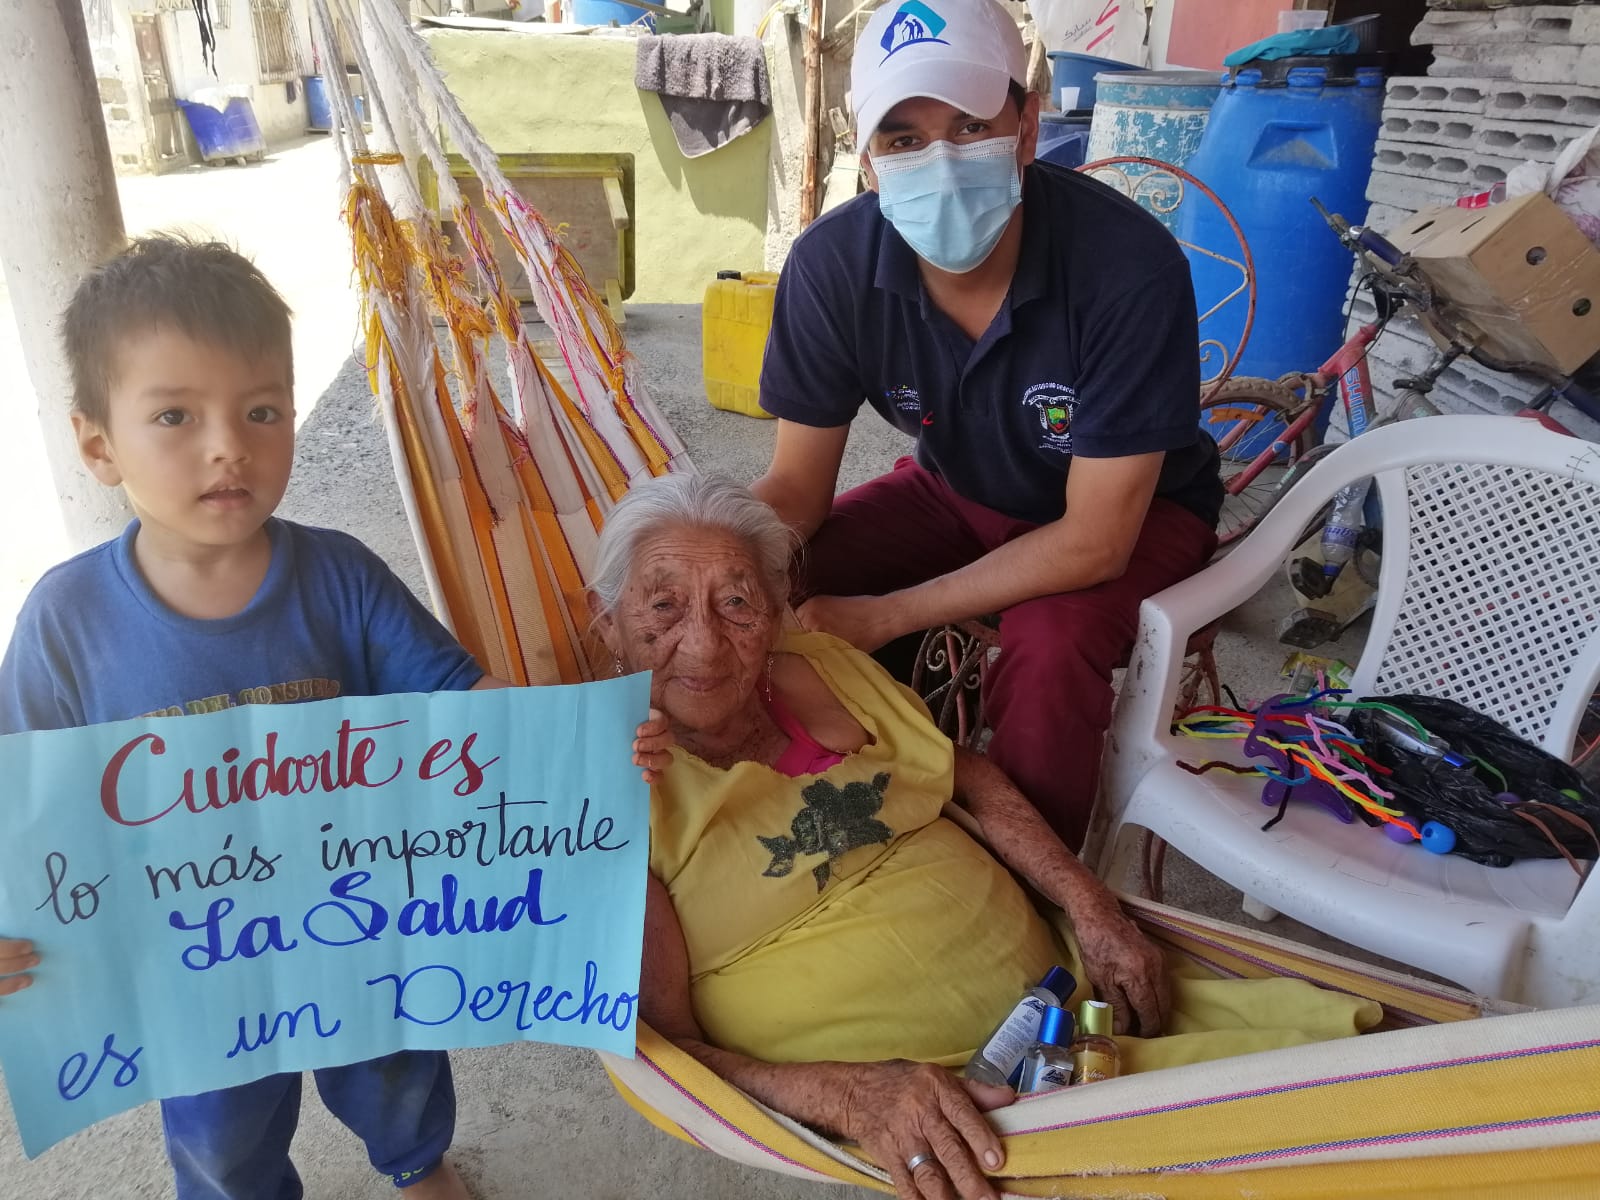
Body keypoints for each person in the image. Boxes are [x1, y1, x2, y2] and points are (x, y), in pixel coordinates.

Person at [0, 236, 668, 1200]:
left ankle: (418, 1164)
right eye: (175, 415)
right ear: (98, 444)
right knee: (219, 1129)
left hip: (360, 919)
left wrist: (584, 747)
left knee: (396, 1061)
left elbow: (464, 711)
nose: (229, 445)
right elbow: (20, 801)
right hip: (189, 962)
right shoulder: (65, 623)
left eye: (262, 410)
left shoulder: (341, 576)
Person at [589, 474, 1380, 1200]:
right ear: (610, 625)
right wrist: (848, 1095)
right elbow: (664, 1047)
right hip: (964, 1107)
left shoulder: (823, 668)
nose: (703, 641)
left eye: (736, 603)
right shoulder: (602, 794)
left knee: (1360, 1097)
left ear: (772, 614)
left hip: (1078, 1012)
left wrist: (1091, 904)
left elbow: (968, 776)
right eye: (663, 607)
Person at [750, 0, 1225, 852]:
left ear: (1027, 128)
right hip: (958, 488)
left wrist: (888, 616)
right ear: (867, 162)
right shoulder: (832, 266)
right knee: (779, 579)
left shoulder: (1126, 266)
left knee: (1050, 646)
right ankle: (848, 807)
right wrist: (705, 557)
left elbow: (1094, 543)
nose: (940, 161)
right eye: (903, 138)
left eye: (970, 126)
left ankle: (1030, 886)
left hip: (1135, 514)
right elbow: (794, 492)